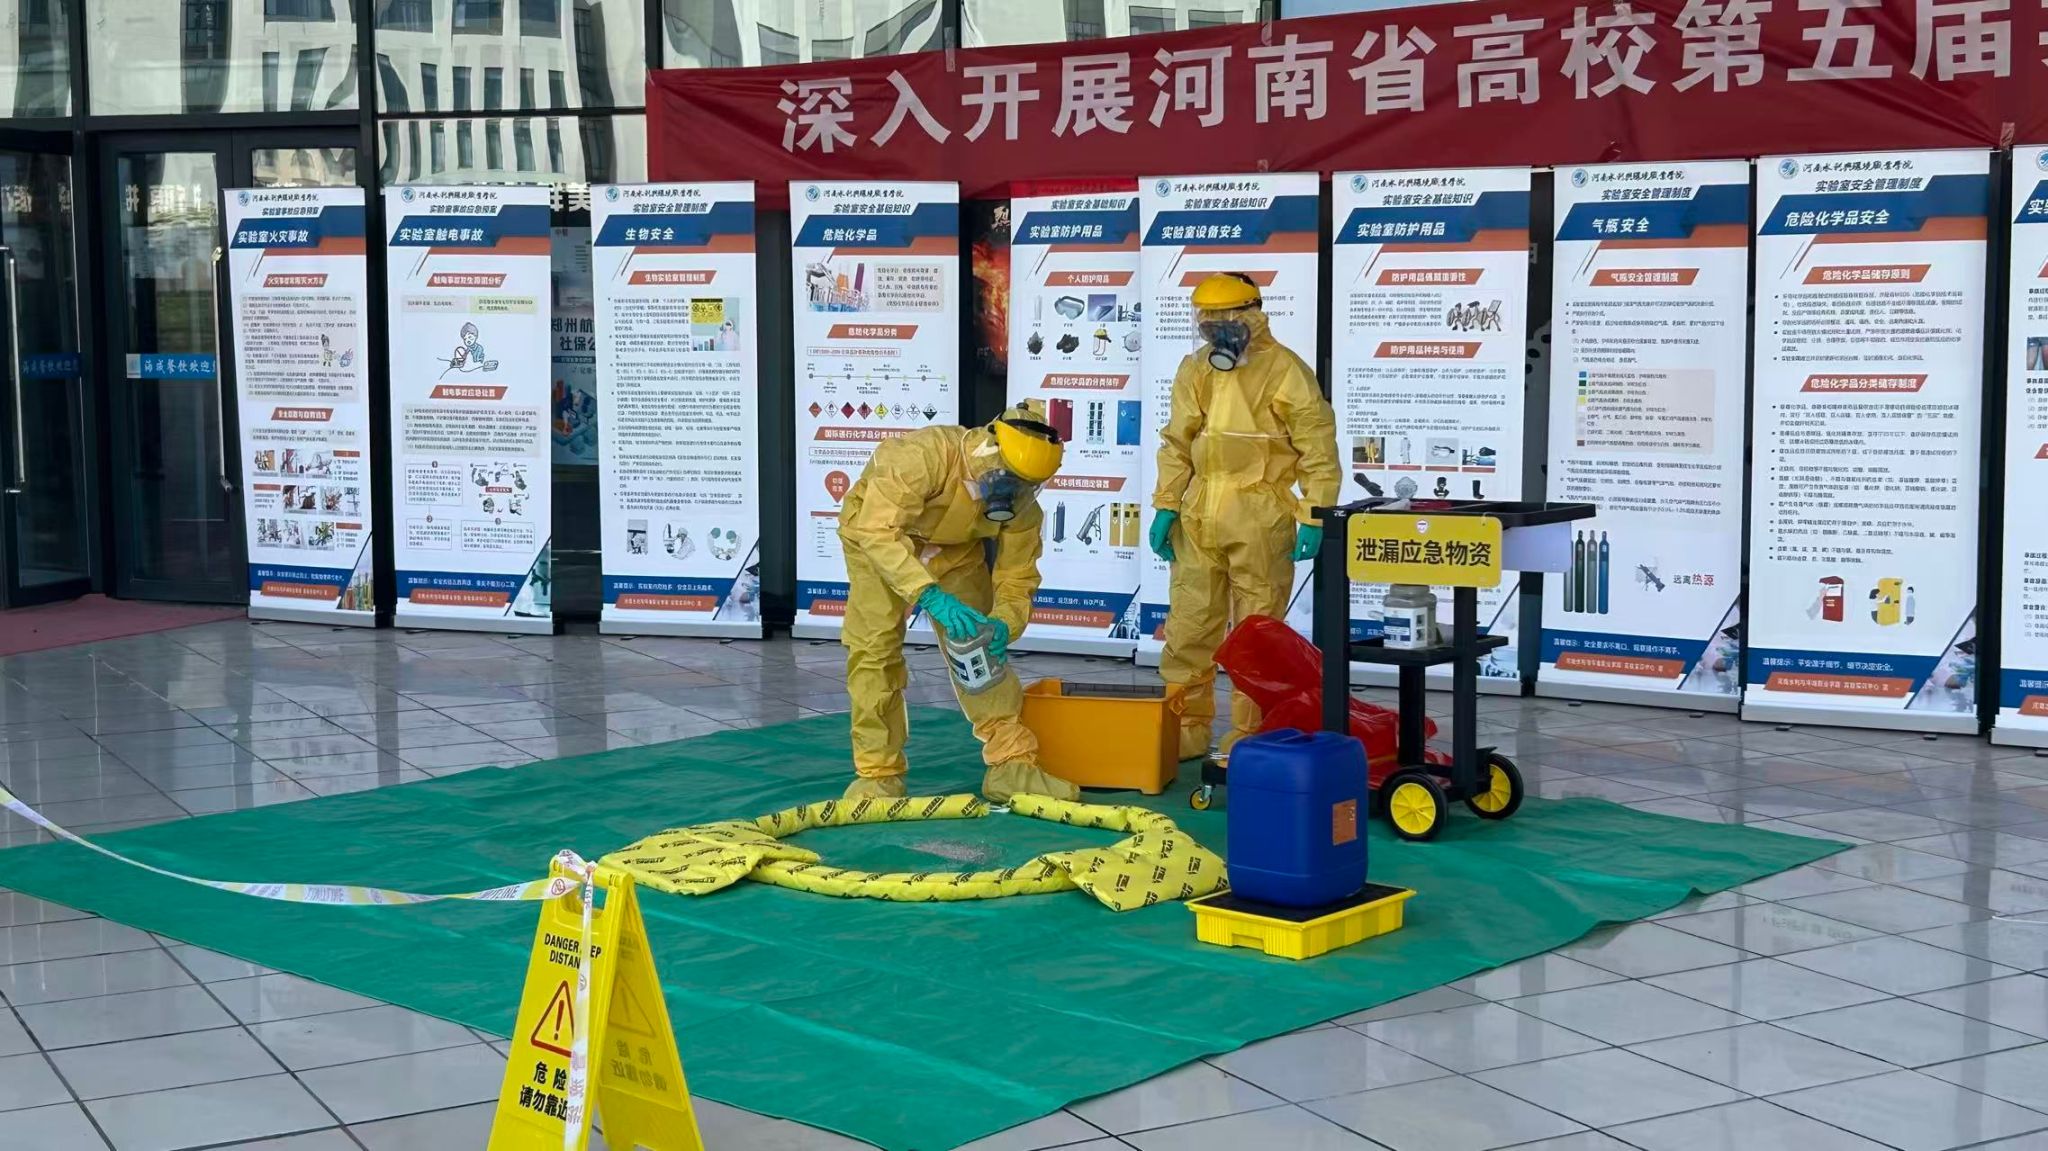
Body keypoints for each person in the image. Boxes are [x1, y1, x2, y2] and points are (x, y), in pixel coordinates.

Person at [837, 403, 1080, 804]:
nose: (1013, 492)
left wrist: (1004, 622)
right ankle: (878, 775)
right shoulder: (925, 455)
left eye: (1026, 485)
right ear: (989, 451)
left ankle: (1012, 764)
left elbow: (1018, 576)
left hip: (955, 551)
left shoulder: (1021, 505)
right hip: (879, 543)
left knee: (980, 648)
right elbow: (878, 531)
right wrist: (929, 595)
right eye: (1009, 478)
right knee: (874, 650)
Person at [1149, 272, 1340, 762]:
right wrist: (1167, 503)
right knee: (1190, 626)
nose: (1214, 326)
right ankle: (1185, 728)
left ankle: (1251, 734)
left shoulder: (1285, 371)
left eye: (1225, 316)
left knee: (1255, 630)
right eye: (1206, 317)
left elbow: (1317, 447)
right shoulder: (1196, 369)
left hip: (1260, 515)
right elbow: (1177, 443)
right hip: (1198, 514)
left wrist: (1314, 514)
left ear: (1253, 313)